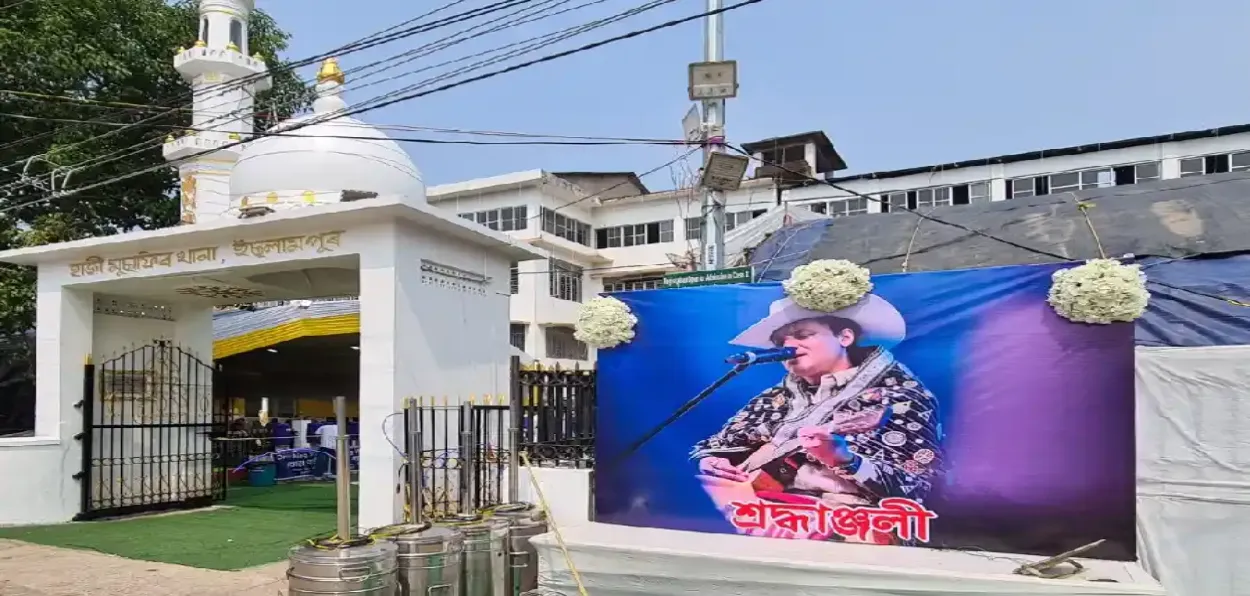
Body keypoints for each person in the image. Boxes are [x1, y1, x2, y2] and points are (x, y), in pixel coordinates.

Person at [690, 294, 943, 544]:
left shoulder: (902, 397)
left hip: (839, 524)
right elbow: (720, 442)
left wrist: (846, 460)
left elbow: (919, 485)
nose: (788, 346)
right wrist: (714, 460)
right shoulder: (777, 395)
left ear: (845, 337)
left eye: (802, 335)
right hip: (755, 510)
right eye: (780, 342)